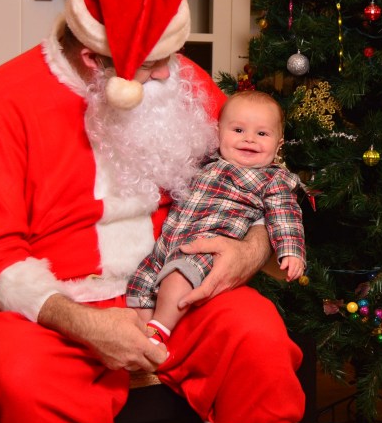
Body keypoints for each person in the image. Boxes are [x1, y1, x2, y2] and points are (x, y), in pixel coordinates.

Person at [0, 0, 305, 423]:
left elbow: (260, 176)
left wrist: (251, 249)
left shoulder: (181, 81)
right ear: (93, 58)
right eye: (151, 63)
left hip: (173, 279)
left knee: (258, 337)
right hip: (58, 302)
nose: (168, 72)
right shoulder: (0, 103)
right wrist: (84, 323)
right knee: (25, 381)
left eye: (170, 56)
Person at [127, 90, 306, 351]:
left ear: (279, 145)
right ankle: (145, 338)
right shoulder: (205, 163)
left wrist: (291, 251)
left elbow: (286, 213)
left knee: (178, 278)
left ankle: (160, 330)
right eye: (238, 130)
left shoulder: (272, 179)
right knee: (139, 283)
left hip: (206, 250)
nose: (249, 139)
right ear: (219, 133)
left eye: (262, 134)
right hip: (166, 245)